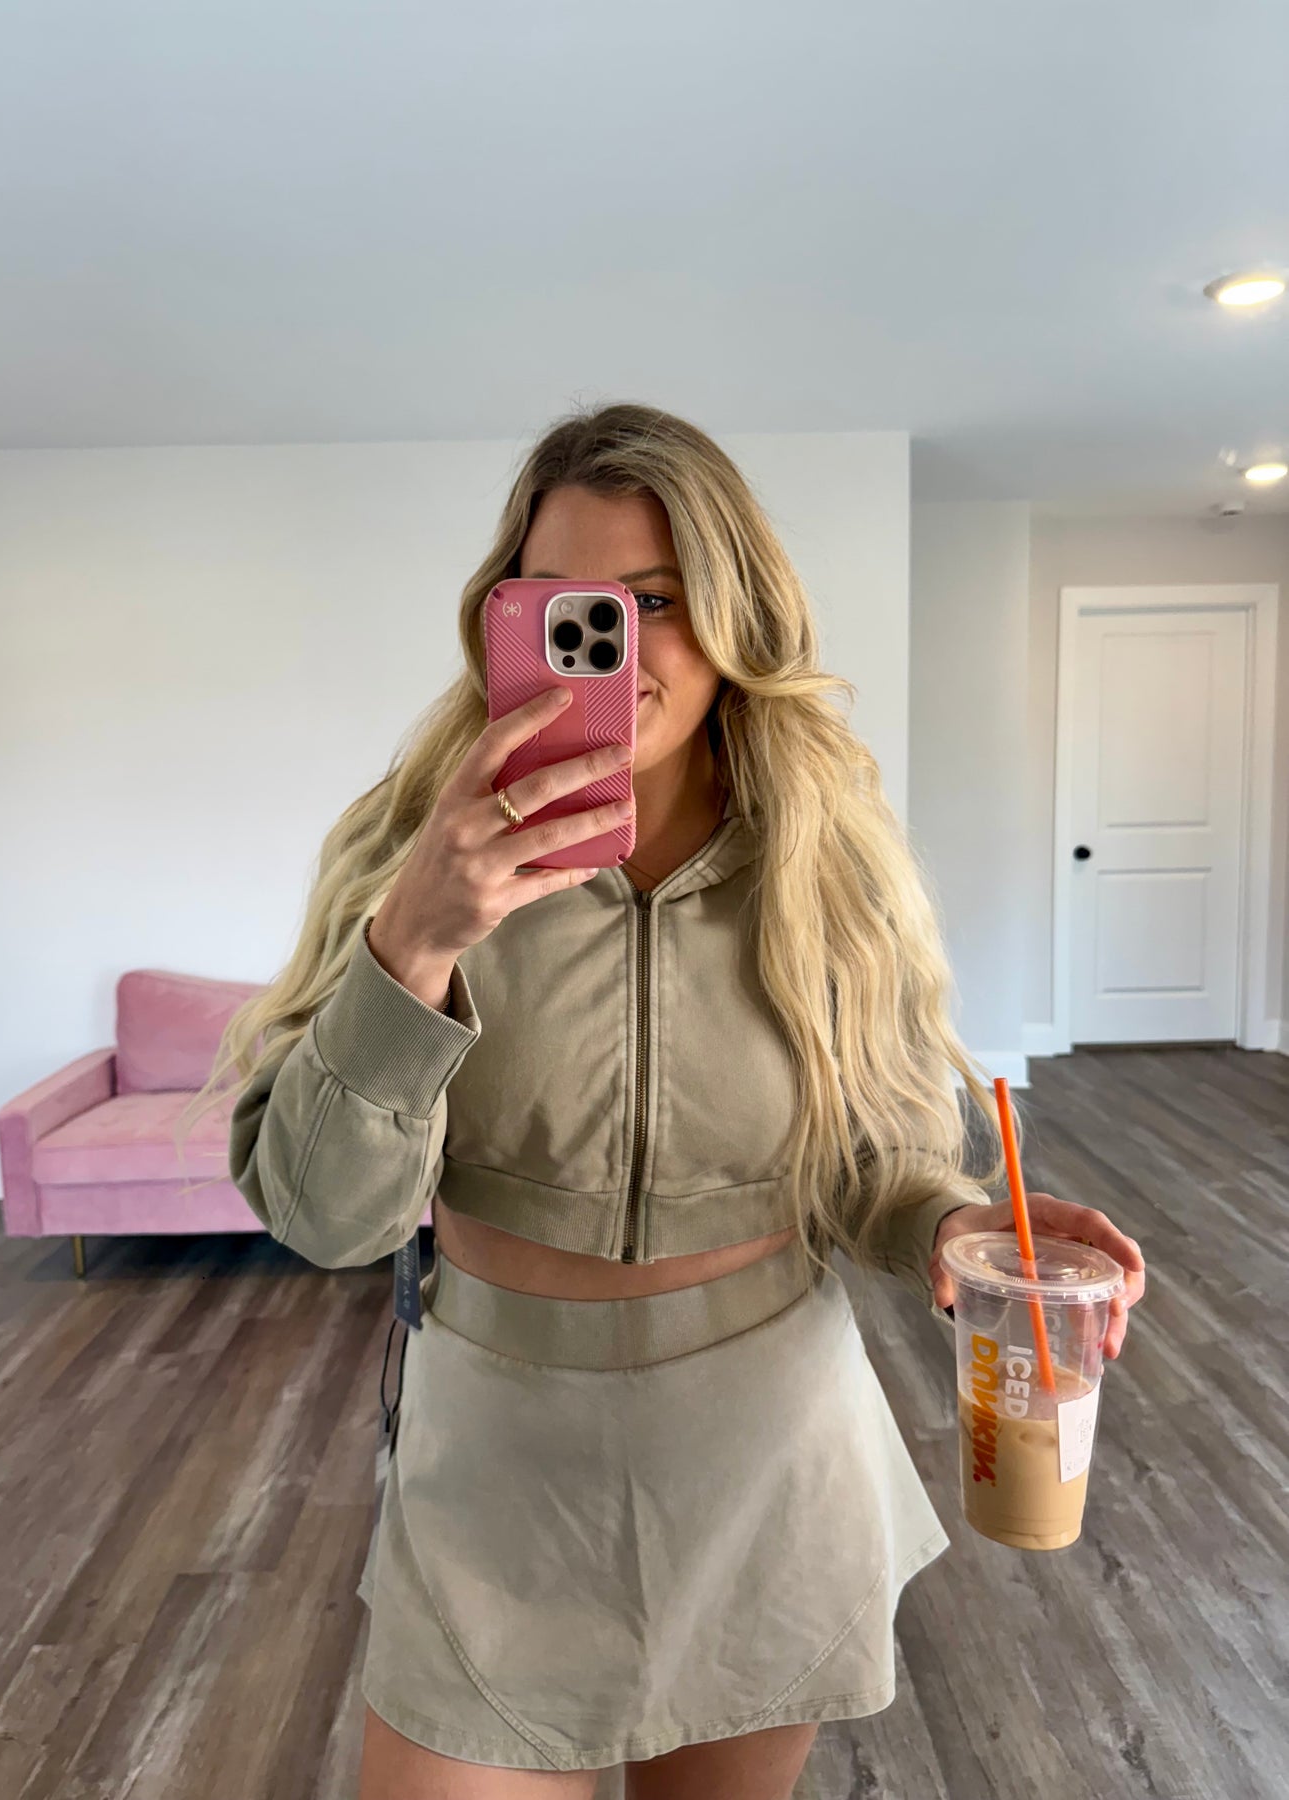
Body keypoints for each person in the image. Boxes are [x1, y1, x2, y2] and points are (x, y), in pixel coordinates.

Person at [191, 402, 1146, 1800]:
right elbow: (323, 1218)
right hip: (497, 1464)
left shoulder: (827, 866)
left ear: (736, 614)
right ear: (508, 618)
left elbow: (874, 1165)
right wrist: (414, 946)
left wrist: (952, 1226)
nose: (614, 646)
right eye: (569, 602)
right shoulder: (413, 850)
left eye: (657, 601)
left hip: (765, 1451)